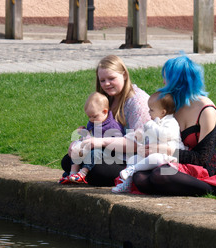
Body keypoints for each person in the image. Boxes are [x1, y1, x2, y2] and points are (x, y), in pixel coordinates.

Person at [132, 54, 216, 196]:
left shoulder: (206, 109)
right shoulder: (172, 104)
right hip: (173, 161)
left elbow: (202, 158)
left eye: (167, 79)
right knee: (139, 178)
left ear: (178, 81)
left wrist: (164, 150)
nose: (163, 82)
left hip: (201, 166)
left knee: (160, 174)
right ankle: (176, 186)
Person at [60, 55, 151, 186]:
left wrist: (99, 142)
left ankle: (80, 175)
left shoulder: (137, 102)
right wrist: (80, 143)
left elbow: (137, 144)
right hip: (108, 153)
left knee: (98, 171)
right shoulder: (107, 98)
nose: (106, 84)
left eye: (111, 78)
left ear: (124, 75)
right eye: (102, 80)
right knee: (67, 160)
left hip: (134, 159)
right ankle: (79, 174)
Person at [112, 91, 186, 193]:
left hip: (167, 155)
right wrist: (140, 137)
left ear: (163, 112)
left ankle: (133, 169)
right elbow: (149, 138)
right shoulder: (154, 122)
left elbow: (164, 135)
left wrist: (151, 125)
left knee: (156, 159)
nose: (149, 112)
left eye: (151, 110)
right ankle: (126, 184)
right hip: (152, 152)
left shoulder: (171, 122)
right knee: (133, 159)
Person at [59, 92, 124, 184]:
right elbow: (89, 133)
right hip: (93, 145)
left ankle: (83, 172)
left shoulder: (112, 126)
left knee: (94, 153)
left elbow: (117, 143)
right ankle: (72, 173)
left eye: (94, 116)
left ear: (104, 111)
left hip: (108, 151)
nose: (91, 119)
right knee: (75, 152)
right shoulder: (94, 121)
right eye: (89, 117)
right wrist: (83, 131)